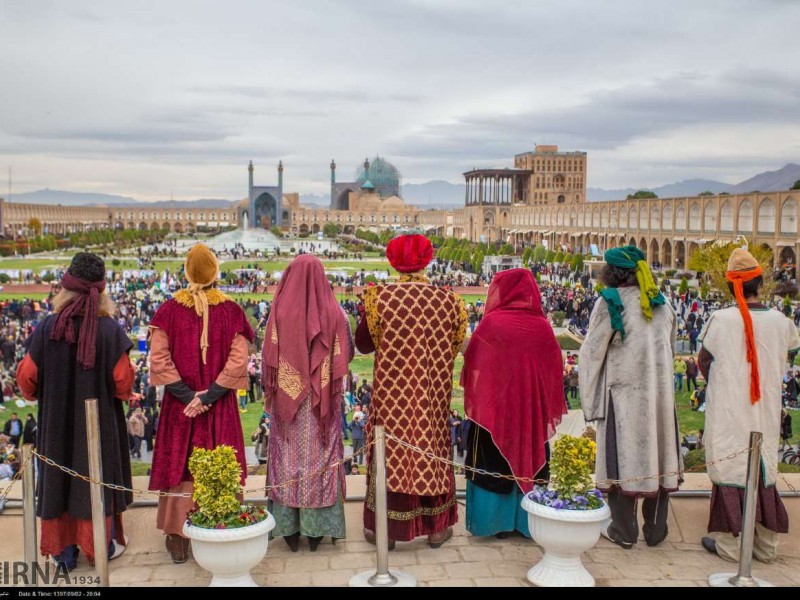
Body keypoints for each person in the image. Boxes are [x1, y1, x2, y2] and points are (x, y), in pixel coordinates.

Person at [16, 252, 134, 570]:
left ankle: (64, 552)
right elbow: (122, 383)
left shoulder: (47, 327)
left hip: (56, 425)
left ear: (66, 288)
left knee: (59, 479)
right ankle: (99, 545)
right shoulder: (109, 330)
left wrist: (48, 392)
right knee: (94, 479)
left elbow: (26, 378)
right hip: (99, 426)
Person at [355, 234, 467, 549]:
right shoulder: (449, 300)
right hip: (432, 396)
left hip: (392, 399)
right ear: (428, 260)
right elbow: (456, 344)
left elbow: (363, 344)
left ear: (393, 262)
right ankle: (435, 528)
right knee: (431, 452)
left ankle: (385, 530)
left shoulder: (379, 298)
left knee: (392, 455)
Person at [148, 244, 254, 564]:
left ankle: (178, 535)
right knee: (214, 457)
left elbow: (158, 359)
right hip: (216, 405)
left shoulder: (168, 311)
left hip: (182, 408)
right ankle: (216, 525)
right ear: (214, 272)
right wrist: (206, 398)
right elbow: (238, 363)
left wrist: (189, 397)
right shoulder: (232, 311)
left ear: (187, 271)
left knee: (181, 462)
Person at [698, 248, 800, 563]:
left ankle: (730, 546)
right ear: (759, 282)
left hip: (730, 408)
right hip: (765, 408)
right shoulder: (781, 321)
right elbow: (789, 354)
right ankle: (766, 546)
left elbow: (705, 362)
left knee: (732, 470)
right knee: (764, 469)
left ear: (732, 286)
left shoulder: (720, 320)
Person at [579, 246, 682, 549]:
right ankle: (656, 530)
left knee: (621, 459)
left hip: (623, 395)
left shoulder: (611, 303)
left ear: (611, 272)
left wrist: (591, 398)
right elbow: (671, 350)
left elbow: (591, 352)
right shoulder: (662, 304)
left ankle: (623, 531)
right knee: (659, 455)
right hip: (659, 395)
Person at [462, 268, 565, 539]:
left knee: (494, 463)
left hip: (496, 411)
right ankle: (527, 522)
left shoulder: (493, 324)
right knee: (531, 457)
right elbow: (555, 370)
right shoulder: (542, 326)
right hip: (530, 414)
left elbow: (473, 363)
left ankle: (495, 522)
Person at [261, 254, 354, 552]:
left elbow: (269, 355)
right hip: (320, 404)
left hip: (288, 407)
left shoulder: (279, 311)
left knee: (287, 461)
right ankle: (316, 531)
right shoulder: (336, 313)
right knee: (319, 461)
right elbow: (347, 354)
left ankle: (288, 530)